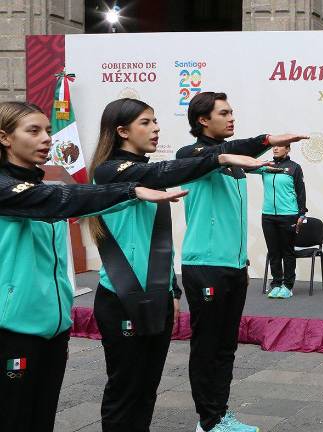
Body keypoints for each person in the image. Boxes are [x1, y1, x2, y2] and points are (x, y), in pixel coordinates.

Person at [87, 98, 271, 432]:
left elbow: (158, 243)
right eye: (146, 122)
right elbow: (167, 168)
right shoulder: (109, 171)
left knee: (146, 391)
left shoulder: (149, 175)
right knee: (125, 390)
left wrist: (171, 287)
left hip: (155, 294)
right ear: (122, 131)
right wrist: (222, 157)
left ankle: (215, 418)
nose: (156, 128)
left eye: (155, 121)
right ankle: (210, 420)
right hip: (121, 296)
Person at [0, 101, 185, 432]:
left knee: (41, 418)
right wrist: (130, 190)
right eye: (33, 131)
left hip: (53, 328)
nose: (46, 138)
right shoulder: (8, 190)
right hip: (12, 330)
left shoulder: (44, 187)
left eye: (47, 130)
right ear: (4, 138)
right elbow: (69, 200)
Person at [176, 91, 307, 432]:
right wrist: (264, 140)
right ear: (203, 120)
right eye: (224, 112)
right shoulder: (191, 155)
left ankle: (220, 415)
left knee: (225, 346)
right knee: (207, 346)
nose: (231, 117)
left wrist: (243, 261)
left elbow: (231, 157)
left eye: (233, 111)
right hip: (205, 264)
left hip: (233, 266)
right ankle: (207, 420)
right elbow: (214, 155)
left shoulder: (232, 160)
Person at [253, 143, 307, 299]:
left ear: (288, 149)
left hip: (288, 215)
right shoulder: (265, 166)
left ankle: (288, 286)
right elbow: (246, 167)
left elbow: (300, 192)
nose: (275, 149)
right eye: (273, 147)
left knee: (287, 251)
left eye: (280, 146)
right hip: (268, 215)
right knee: (273, 251)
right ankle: (276, 284)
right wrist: (261, 162)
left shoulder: (294, 167)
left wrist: (301, 214)